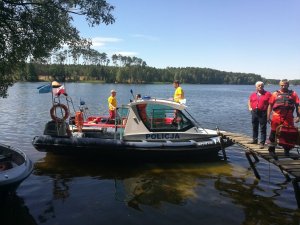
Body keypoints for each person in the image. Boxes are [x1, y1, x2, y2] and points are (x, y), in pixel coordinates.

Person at [267, 79, 300, 159]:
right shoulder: (275, 94)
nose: (283, 86)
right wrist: (268, 116)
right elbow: (270, 105)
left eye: (285, 85)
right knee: (273, 134)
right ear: (279, 85)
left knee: (288, 135)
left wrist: (299, 116)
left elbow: (298, 105)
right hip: (276, 117)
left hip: (288, 118)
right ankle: (271, 151)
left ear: (288, 85)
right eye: (282, 85)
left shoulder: (293, 94)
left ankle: (287, 151)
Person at [247, 81, 271, 149]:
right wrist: (250, 108)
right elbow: (249, 100)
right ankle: (255, 140)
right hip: (254, 112)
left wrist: (269, 113)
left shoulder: (268, 94)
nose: (260, 86)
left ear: (263, 86)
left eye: (262, 85)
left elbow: (271, 104)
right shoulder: (253, 94)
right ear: (256, 87)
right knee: (254, 126)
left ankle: (262, 143)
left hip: (263, 112)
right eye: (259, 85)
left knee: (263, 128)